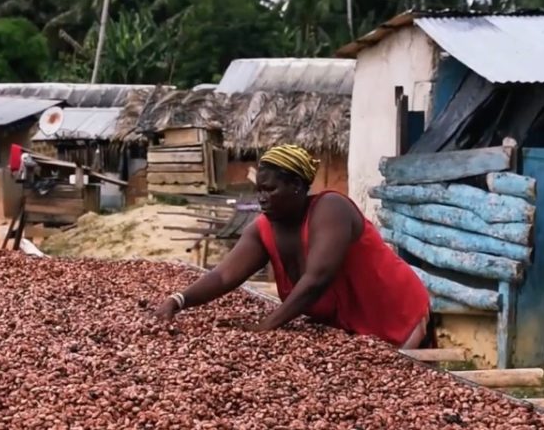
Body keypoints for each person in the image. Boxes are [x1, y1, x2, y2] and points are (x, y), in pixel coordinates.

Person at [154, 144, 431, 349]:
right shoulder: (263, 229)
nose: (262, 198)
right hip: (348, 327)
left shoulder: (331, 209)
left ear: (297, 185)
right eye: (259, 190)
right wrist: (179, 300)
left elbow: (317, 278)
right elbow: (224, 275)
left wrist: (268, 324)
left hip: (393, 314)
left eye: (270, 190)